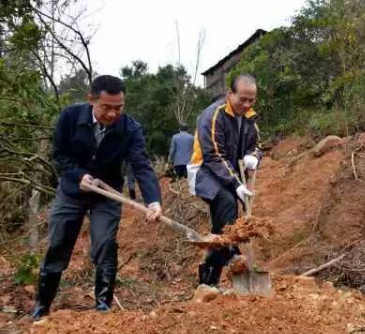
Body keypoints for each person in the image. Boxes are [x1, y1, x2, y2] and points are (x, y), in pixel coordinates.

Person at [31, 75, 162, 319]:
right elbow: (59, 155)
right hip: (72, 192)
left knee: (105, 244)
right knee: (59, 243)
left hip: (106, 194)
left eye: (118, 108)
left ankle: (103, 306)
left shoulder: (131, 129)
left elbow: (142, 165)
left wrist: (153, 200)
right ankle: (42, 305)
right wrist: (78, 176)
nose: (113, 114)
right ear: (91, 100)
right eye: (106, 107)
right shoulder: (70, 117)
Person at [192, 74, 261, 288]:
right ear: (229, 94)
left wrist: (254, 157)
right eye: (243, 99)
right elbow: (213, 156)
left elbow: (258, 145)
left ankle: (209, 280)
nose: (247, 104)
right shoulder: (213, 115)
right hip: (205, 171)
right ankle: (232, 254)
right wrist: (236, 185)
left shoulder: (250, 118)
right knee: (226, 202)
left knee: (224, 223)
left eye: (252, 100)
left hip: (231, 175)